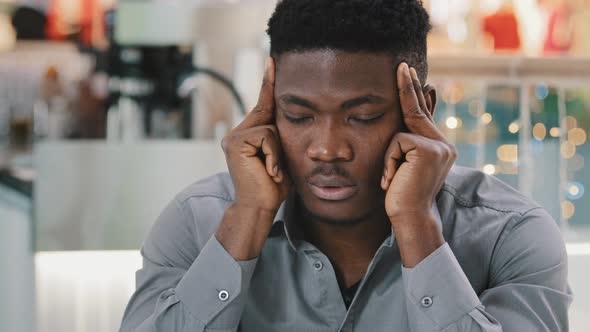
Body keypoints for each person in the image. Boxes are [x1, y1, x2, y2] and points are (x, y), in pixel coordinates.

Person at [119, 1, 572, 331]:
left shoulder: (511, 234)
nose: (327, 149)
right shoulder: (198, 222)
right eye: (298, 116)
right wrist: (248, 220)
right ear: (270, 112)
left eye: (362, 117)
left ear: (422, 112)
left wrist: (417, 226)